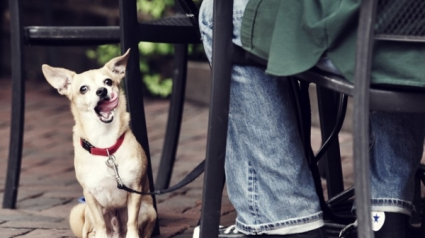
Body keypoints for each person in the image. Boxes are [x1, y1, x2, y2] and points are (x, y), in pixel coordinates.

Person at [197, 0, 425, 237]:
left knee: (219, 13)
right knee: (404, 27)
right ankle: (384, 214)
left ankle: (285, 218)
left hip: (365, 29)